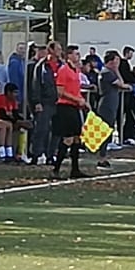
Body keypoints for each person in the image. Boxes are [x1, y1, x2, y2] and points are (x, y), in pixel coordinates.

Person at [51, 44, 87, 180]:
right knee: (68, 138)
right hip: (65, 107)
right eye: (76, 54)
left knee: (77, 138)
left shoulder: (76, 71)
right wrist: (77, 99)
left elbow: (76, 90)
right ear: (69, 55)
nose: (78, 56)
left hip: (74, 107)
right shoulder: (63, 70)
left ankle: (75, 169)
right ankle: (56, 168)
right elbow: (60, 92)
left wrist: (83, 101)